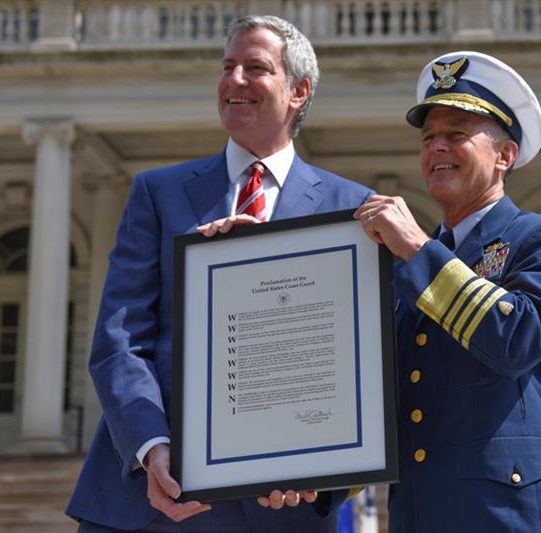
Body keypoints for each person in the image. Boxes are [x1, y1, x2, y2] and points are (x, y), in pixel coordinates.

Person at [67, 15, 372, 532]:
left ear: (299, 91)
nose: (233, 81)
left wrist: (325, 472)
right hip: (154, 501)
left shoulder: (352, 208)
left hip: (284, 511)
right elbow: (121, 338)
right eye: (227, 66)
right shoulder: (158, 194)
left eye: (255, 68)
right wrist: (151, 448)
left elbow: (359, 360)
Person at [354, 51, 541, 532]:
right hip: (420, 514)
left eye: (456, 134)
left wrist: (419, 250)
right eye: (428, 138)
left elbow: (516, 338)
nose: (436, 147)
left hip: (510, 517)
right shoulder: (411, 265)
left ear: (505, 156)